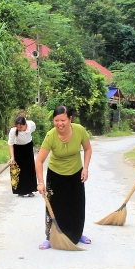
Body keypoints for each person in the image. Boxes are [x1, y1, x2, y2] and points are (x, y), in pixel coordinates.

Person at [35, 106, 92, 249]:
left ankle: (77, 235)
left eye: (62, 120)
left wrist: (85, 168)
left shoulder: (79, 130)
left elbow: (87, 149)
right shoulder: (51, 135)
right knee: (54, 206)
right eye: (56, 120)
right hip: (55, 174)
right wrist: (40, 182)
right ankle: (49, 237)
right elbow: (39, 161)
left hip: (76, 173)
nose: (59, 123)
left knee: (76, 206)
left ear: (70, 119)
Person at [8, 115, 38, 197]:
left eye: (21, 127)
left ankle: (30, 190)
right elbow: (10, 144)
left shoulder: (31, 125)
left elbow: (34, 129)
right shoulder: (13, 131)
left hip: (28, 147)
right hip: (17, 148)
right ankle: (20, 191)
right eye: (18, 127)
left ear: (25, 124)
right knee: (17, 169)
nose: (20, 129)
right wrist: (12, 157)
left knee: (29, 168)